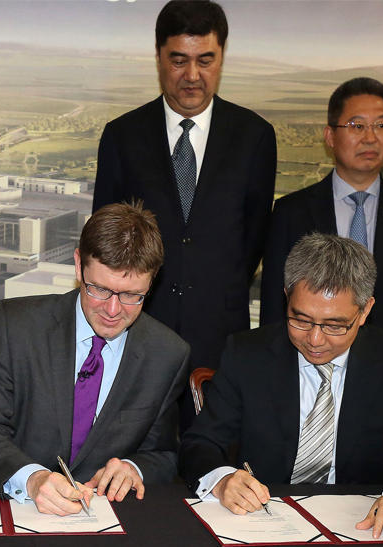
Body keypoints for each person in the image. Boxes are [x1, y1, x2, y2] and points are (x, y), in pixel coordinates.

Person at [92, 0, 277, 431]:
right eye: (179, 60)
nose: (192, 75)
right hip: (138, 332)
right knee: (134, 456)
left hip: (219, 336)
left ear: (221, 57)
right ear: (159, 57)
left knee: (211, 457)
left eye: (205, 60)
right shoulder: (122, 136)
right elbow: (105, 241)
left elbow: (253, 239)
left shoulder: (254, 137)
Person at [180, 233, 383, 545]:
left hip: (361, 528)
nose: (315, 340)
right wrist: (223, 478)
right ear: (286, 297)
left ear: (365, 311)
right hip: (264, 524)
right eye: (301, 320)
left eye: (334, 325)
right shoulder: (247, 354)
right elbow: (200, 443)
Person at [0, 203, 190, 516]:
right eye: (100, 290)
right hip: (19, 509)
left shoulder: (167, 353)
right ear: (79, 266)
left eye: (132, 295)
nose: (113, 310)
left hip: (107, 520)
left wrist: (133, 468)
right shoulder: (16, 326)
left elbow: (163, 454)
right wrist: (32, 479)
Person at [261, 77, 383, 345]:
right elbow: (274, 308)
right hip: (310, 358)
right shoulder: (291, 212)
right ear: (330, 136)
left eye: (381, 125)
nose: (370, 138)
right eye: (357, 126)